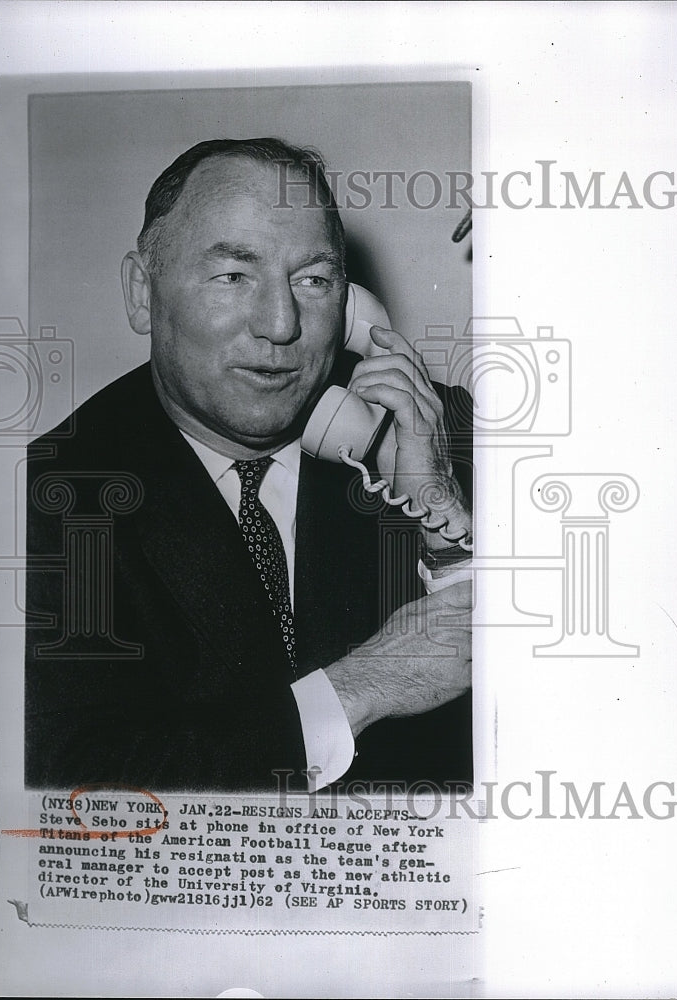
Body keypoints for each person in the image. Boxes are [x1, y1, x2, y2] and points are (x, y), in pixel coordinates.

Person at [24, 138, 473, 794]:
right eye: (234, 275)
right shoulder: (48, 498)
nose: (282, 324)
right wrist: (360, 690)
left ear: (350, 308)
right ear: (143, 293)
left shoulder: (443, 433)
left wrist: (439, 516)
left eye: (313, 280)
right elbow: (70, 786)